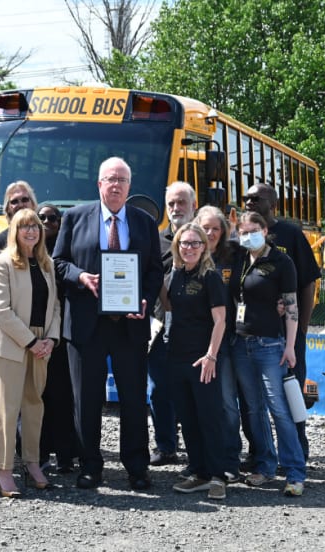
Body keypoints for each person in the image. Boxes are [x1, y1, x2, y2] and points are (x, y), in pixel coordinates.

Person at [53, 156, 164, 491]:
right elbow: (58, 263)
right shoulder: (74, 218)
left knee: (133, 399)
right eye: (110, 179)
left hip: (130, 324)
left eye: (122, 180)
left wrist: (144, 297)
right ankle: (90, 465)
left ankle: (137, 467)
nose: (115, 185)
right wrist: (81, 276)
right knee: (86, 399)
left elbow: (155, 270)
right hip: (87, 325)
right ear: (99, 184)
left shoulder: (144, 222)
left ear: (129, 187)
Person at [0, 208, 61, 497]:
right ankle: (3, 471)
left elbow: (55, 306)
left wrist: (51, 339)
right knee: (7, 409)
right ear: (14, 231)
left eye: (35, 227)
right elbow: (2, 311)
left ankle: (32, 464)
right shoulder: (1, 262)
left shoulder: (46, 264)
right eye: (24, 226)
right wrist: (31, 342)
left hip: (42, 343)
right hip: (12, 344)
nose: (31, 231)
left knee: (34, 405)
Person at [229, 210, 306, 497]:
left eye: (253, 230)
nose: (248, 235)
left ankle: (295, 472)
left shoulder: (281, 261)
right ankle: (265, 465)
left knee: (279, 410)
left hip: (270, 346)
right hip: (240, 344)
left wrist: (290, 346)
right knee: (254, 409)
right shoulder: (239, 258)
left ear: (265, 229)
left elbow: (292, 306)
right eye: (243, 231)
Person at [244, 183, 320, 461]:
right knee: (254, 400)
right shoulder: (244, 236)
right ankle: (260, 452)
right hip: (254, 332)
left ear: (273, 203)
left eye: (256, 198)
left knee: (290, 392)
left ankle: (298, 448)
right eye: (246, 198)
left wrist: (300, 329)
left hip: (286, 335)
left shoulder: (291, 234)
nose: (249, 202)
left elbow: (308, 282)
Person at [161, 222, 231, 500]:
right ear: (177, 246)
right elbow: (169, 307)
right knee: (187, 418)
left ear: (204, 247)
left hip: (203, 359)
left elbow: (221, 320)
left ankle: (218, 475)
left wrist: (211, 355)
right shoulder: (176, 274)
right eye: (185, 243)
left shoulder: (210, 277)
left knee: (209, 417)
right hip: (177, 357)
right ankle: (199, 472)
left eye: (195, 243)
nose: (189, 248)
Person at [193, 205, 244, 483]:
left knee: (226, 403)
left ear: (224, 230)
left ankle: (230, 460)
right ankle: (200, 461)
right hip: (194, 341)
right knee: (199, 403)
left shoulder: (234, 255)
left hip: (225, 339)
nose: (210, 232)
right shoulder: (189, 253)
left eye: (216, 228)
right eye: (206, 227)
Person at [148, 181, 197, 467]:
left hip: (196, 330)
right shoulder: (155, 241)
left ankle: (196, 449)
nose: (176, 208)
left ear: (193, 205)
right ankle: (166, 446)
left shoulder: (205, 240)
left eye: (181, 203)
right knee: (158, 390)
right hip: (160, 328)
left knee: (192, 392)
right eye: (172, 204)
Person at [37, 204, 79, 473]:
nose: (47, 221)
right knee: (37, 397)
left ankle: (66, 455)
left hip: (64, 334)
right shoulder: (30, 251)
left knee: (64, 397)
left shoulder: (68, 252)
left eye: (53, 217)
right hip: (36, 335)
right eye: (42, 217)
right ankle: (38, 454)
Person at [0, 181, 38, 249]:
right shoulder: (0, 241)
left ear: (33, 204)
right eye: (14, 202)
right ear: (8, 208)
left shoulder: (44, 235)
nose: (20, 205)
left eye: (24, 200)